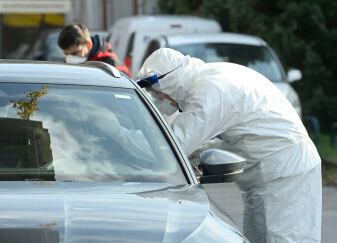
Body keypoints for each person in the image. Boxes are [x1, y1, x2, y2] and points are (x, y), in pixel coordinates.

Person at [138, 48, 322, 243]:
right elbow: (247, 132)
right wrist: (204, 150)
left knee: (283, 238)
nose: (164, 100)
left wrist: (119, 134)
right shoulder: (213, 77)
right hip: (271, 175)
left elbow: (173, 147)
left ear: (171, 83)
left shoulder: (210, 90)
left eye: (161, 94)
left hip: (286, 173)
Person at [57, 23, 132, 78]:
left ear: (88, 45)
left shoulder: (114, 69)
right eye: (66, 54)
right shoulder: (66, 69)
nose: (70, 58)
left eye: (75, 53)